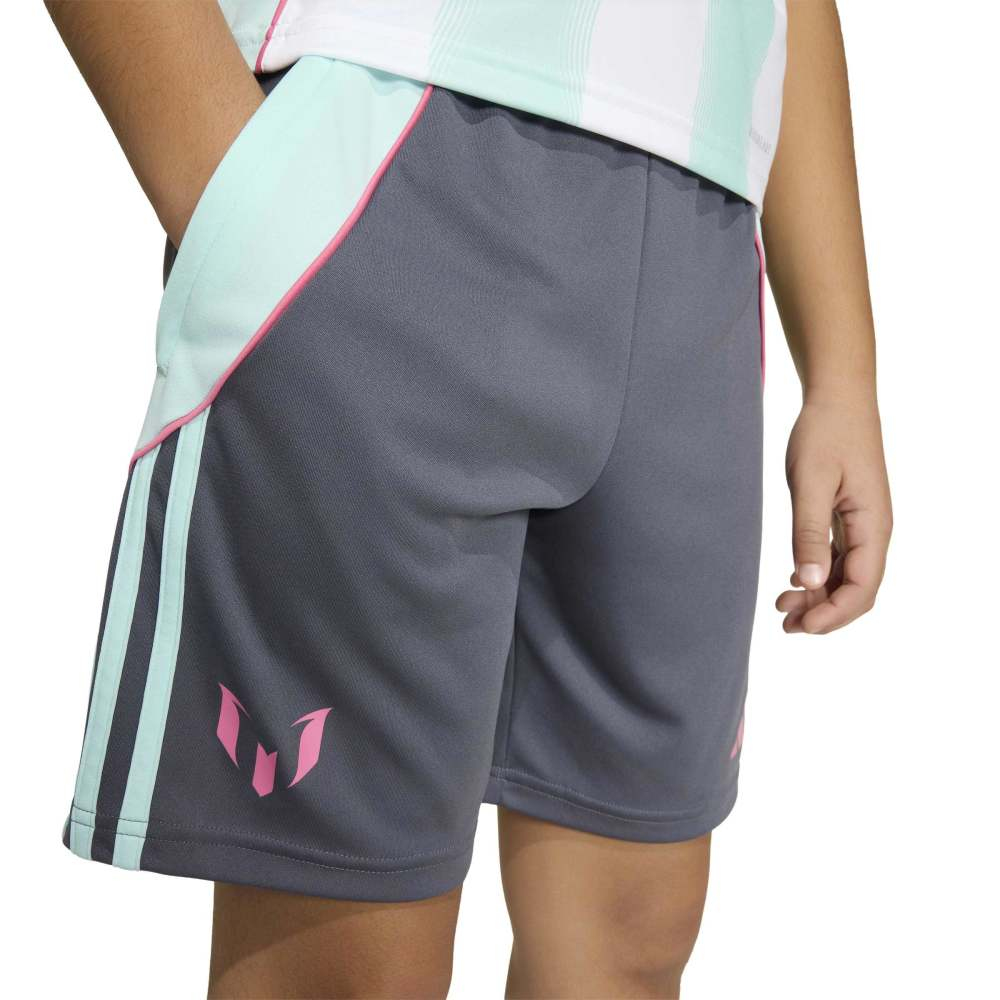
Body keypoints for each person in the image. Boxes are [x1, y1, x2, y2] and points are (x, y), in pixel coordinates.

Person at [49, 2, 892, 997]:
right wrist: (229, 190)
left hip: (701, 233)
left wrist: (842, 370)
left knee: (632, 938)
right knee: (346, 953)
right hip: (397, 125)